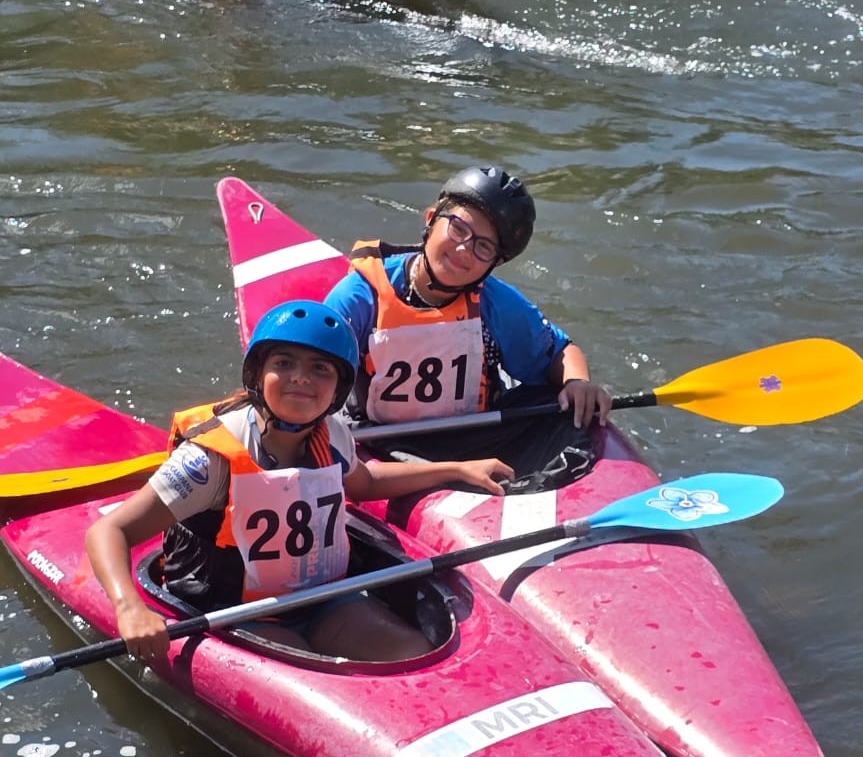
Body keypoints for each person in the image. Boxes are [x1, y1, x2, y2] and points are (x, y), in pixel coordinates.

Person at [85, 300, 512, 665]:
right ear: (258, 374)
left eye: (320, 368)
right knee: (319, 671)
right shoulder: (211, 457)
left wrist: (456, 468)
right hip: (234, 611)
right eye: (284, 363)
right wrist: (129, 609)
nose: (301, 378)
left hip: (320, 598)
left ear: (339, 387)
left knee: (411, 650)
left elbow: (363, 482)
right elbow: (111, 530)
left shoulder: (331, 432)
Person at [323, 165, 613, 483]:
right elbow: (318, 373)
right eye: (459, 229)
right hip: (384, 441)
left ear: (495, 263)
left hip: (474, 435)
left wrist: (577, 384)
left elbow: (560, 352)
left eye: (484, 247)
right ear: (432, 219)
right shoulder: (362, 296)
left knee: (562, 412)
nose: (464, 250)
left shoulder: (494, 304)